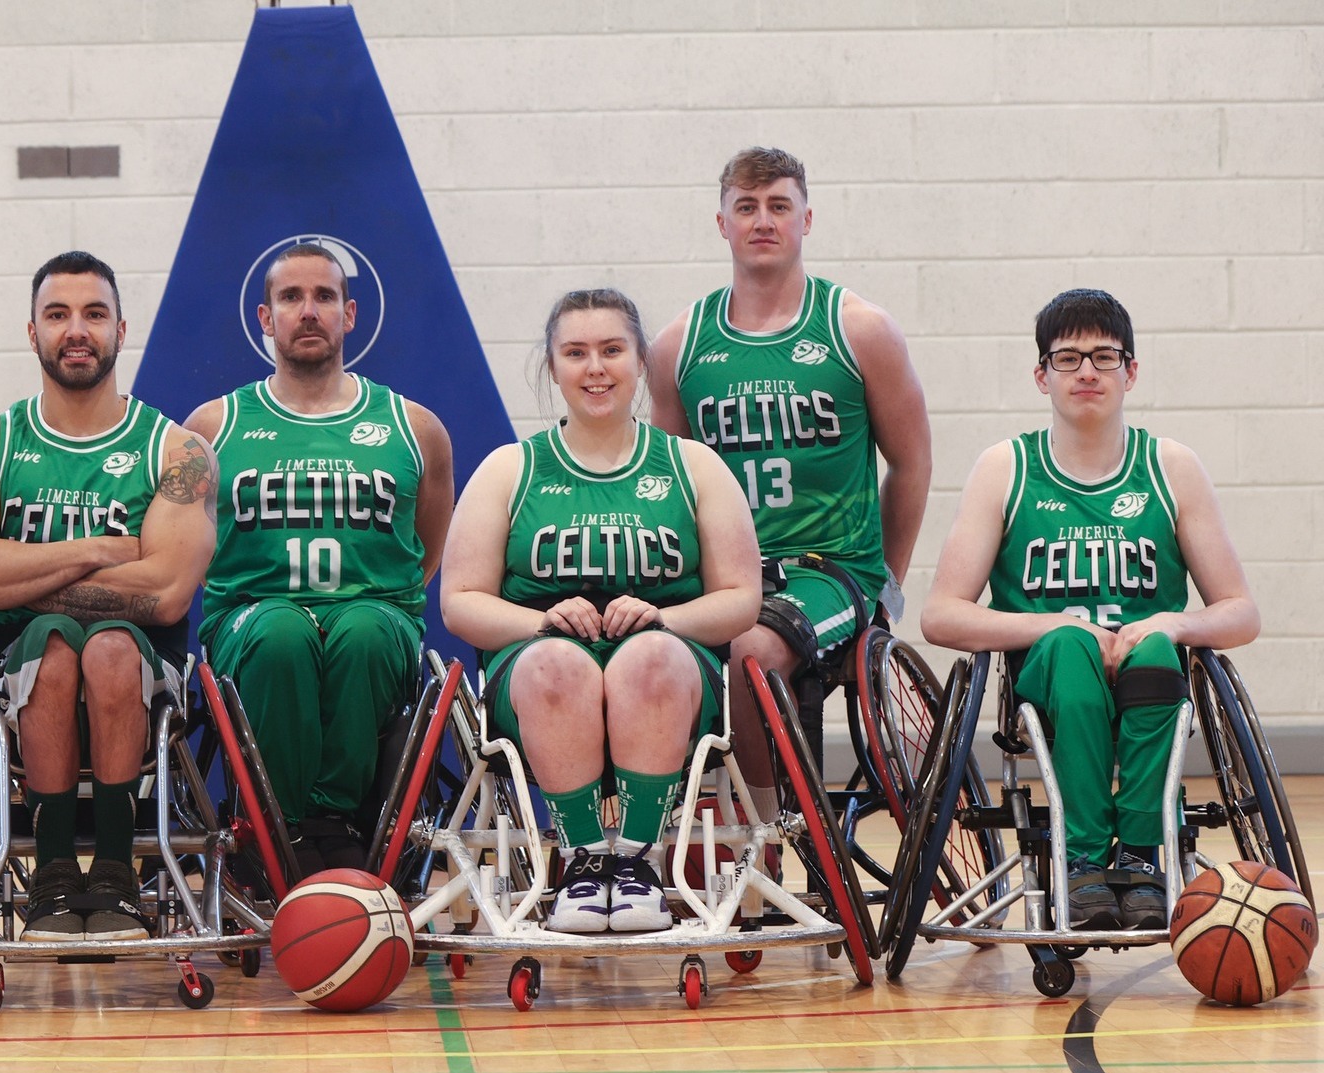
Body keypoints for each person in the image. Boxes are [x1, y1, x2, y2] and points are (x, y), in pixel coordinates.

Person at [921, 289, 1258, 930]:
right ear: (1041, 374)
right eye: (1068, 357)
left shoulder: (1171, 468)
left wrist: (1172, 621)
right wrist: (1058, 622)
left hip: (1146, 674)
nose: (1086, 372)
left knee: (1159, 649)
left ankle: (1138, 855)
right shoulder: (1005, 468)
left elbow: (1241, 612)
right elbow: (941, 615)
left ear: (1131, 371)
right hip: (1047, 681)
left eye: (1104, 357)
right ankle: (1079, 860)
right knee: (1074, 648)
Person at [442, 289, 761, 932]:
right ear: (552, 366)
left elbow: (741, 597)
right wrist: (540, 622)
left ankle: (638, 861)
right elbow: (459, 602)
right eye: (576, 352)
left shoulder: (692, 464)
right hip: (536, 675)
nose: (595, 368)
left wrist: (664, 619)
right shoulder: (511, 468)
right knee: (556, 662)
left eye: (612, 350)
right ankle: (584, 862)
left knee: (650, 655)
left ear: (640, 361)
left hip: (671, 670)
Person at [0, 251, 215, 941]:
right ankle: (54, 873)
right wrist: (95, 550)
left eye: (93, 313)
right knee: (57, 645)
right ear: (32, 332)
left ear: (121, 327)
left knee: (113, 646)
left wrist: (19, 573)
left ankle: (116, 872)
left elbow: (169, 590)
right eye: (57, 314)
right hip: (19, 676)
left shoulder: (176, 448)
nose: (76, 329)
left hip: (146, 681)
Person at [648, 147, 930, 827]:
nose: (763, 220)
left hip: (831, 571)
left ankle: (764, 834)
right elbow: (672, 484)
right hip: (725, 574)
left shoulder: (858, 328)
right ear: (722, 223)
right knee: (639, 647)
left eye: (778, 205)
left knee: (750, 648)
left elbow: (913, 464)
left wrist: (885, 584)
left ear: (808, 218)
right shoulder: (678, 345)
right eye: (746, 207)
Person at [183, 243, 454, 874]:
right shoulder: (211, 426)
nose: (309, 311)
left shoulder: (415, 427)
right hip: (249, 622)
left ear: (351, 313)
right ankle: (285, 826)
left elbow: (424, 551)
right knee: (282, 632)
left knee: (360, 630)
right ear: (264, 317)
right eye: (291, 297)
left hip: (374, 619)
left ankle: (328, 822)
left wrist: (369, 599)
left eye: (324, 297)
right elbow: (182, 549)